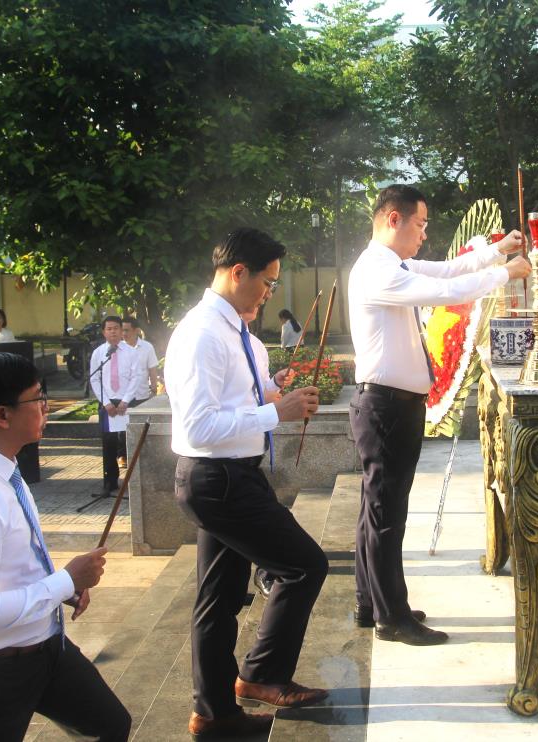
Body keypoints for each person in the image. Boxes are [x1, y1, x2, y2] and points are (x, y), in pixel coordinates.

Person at [347, 184, 530, 646]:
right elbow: (447, 290)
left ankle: (373, 602)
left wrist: (497, 251)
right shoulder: (377, 270)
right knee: (386, 515)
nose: (424, 234)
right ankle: (392, 617)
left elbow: (449, 269)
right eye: (420, 224)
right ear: (394, 219)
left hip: (392, 404)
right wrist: (506, 273)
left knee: (376, 511)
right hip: (386, 406)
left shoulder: (394, 265)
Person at [165, 227, 329, 738]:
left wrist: (274, 392)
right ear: (238, 272)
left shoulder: (239, 333)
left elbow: (236, 403)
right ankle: (261, 675)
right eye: (267, 282)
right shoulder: (201, 334)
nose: (269, 294)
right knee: (303, 566)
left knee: (219, 599)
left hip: (234, 474)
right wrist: (275, 412)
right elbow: (198, 427)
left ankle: (213, 713)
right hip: (216, 478)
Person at [0, 352, 130, 741]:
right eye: (38, 399)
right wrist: (64, 581)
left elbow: (14, 563)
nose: (46, 407)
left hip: (44, 648)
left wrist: (61, 590)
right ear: (3, 415)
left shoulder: (2, 467)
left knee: (109, 726)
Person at [89, 316, 142, 493]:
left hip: (127, 402)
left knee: (130, 441)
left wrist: (125, 401)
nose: (113, 332)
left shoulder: (131, 352)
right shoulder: (98, 353)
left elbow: (136, 377)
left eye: (116, 328)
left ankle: (134, 483)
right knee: (109, 443)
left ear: (121, 331)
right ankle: (110, 481)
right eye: (109, 329)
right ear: (103, 332)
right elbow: (95, 379)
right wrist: (106, 403)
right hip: (108, 404)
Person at [121, 316, 160, 405]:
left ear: (137, 331)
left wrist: (154, 390)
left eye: (126, 330)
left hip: (142, 395)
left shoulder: (147, 347)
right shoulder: (117, 348)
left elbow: (152, 370)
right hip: (122, 398)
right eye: (122, 330)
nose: (124, 333)